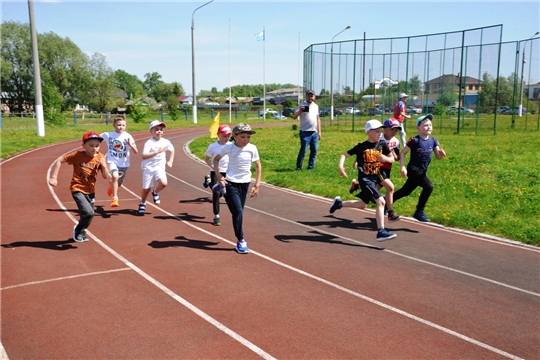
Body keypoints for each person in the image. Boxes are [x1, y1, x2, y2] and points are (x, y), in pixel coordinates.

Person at [329, 120, 399, 242]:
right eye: (377, 131)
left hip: (375, 176)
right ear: (368, 132)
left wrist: (385, 159)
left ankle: (339, 204)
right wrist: (341, 167)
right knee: (381, 202)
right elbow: (344, 155)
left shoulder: (382, 144)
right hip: (365, 179)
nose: (380, 134)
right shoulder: (361, 147)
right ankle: (381, 231)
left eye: (381, 131)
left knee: (362, 205)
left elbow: (392, 158)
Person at [48, 132, 111, 242]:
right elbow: (59, 160)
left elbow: (105, 176)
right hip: (77, 188)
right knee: (89, 212)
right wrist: (54, 177)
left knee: (88, 216)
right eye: (91, 145)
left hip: (90, 190)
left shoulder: (101, 157)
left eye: (97, 145)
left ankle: (82, 230)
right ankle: (78, 229)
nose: (94, 148)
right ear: (84, 146)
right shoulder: (77, 156)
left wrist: (104, 165)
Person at [213, 123, 261, 254]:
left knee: (238, 213)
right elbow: (216, 160)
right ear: (234, 135)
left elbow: (258, 166)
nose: (246, 140)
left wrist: (257, 185)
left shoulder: (252, 148)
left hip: (245, 183)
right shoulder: (228, 148)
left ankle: (221, 190)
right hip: (231, 182)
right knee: (238, 212)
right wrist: (218, 176)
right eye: (243, 137)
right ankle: (241, 240)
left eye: (248, 137)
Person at [393, 114, 446, 222]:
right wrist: (402, 167)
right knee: (429, 186)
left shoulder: (433, 140)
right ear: (418, 128)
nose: (429, 127)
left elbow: (438, 157)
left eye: (430, 125)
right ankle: (419, 211)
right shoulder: (415, 141)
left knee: (405, 191)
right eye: (426, 125)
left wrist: (441, 155)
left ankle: (385, 202)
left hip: (422, 171)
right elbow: (403, 153)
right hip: (413, 170)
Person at [349, 118, 401, 222]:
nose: (394, 132)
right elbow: (365, 152)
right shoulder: (378, 140)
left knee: (371, 194)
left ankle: (357, 186)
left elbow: (396, 157)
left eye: (396, 130)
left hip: (387, 169)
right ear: (385, 129)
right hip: (378, 169)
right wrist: (357, 161)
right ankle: (390, 212)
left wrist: (395, 157)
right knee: (389, 188)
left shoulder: (396, 142)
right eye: (392, 130)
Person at [100, 115, 138, 208]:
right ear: (114, 125)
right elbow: (96, 138)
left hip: (124, 163)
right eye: (119, 125)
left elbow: (136, 151)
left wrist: (131, 145)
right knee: (115, 176)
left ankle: (111, 186)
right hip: (112, 160)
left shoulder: (128, 136)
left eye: (123, 125)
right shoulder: (108, 135)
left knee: (118, 183)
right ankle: (115, 198)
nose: (121, 127)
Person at [138, 120, 175, 215]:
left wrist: (170, 160)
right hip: (148, 168)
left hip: (160, 167)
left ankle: (155, 192)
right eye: (157, 129)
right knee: (146, 189)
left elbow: (172, 150)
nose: (159, 131)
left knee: (164, 183)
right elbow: (144, 156)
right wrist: (157, 152)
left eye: (161, 129)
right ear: (151, 131)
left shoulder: (166, 142)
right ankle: (142, 203)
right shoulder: (149, 143)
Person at [204, 124, 232, 226]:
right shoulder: (212, 146)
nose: (227, 138)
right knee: (216, 193)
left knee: (225, 193)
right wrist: (213, 167)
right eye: (224, 135)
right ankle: (216, 216)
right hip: (215, 172)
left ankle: (208, 182)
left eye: (228, 136)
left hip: (228, 172)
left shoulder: (232, 146)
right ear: (218, 135)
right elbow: (206, 159)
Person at [292, 89, 321, 171]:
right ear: (306, 96)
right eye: (308, 96)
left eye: (311, 96)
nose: (310, 97)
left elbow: (318, 118)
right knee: (303, 150)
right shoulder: (302, 105)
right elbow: (294, 117)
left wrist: (319, 132)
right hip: (305, 132)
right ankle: (298, 167)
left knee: (314, 151)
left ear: (314, 97)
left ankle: (310, 167)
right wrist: (300, 110)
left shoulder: (316, 106)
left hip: (314, 132)